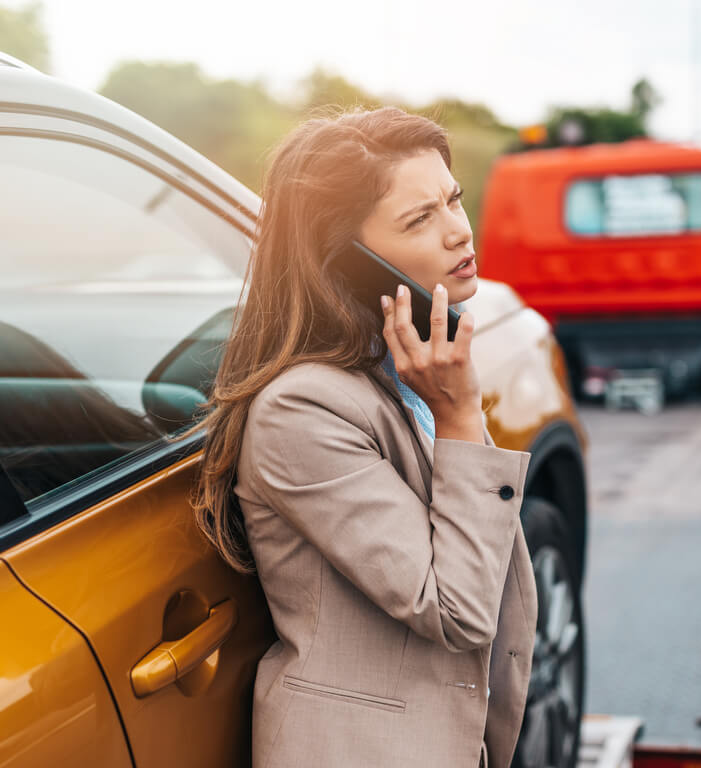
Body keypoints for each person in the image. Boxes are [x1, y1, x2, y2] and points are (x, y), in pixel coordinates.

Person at [188, 107, 537, 768]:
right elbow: (459, 610)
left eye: (453, 200)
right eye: (419, 219)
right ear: (347, 259)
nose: (459, 231)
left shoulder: (406, 369)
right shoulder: (302, 411)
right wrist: (461, 418)